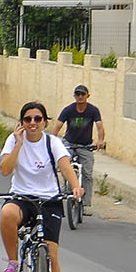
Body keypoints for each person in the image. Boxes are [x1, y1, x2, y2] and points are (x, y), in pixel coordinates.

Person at [0, 100, 85, 272]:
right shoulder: (13, 140)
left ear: (45, 122)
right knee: (7, 213)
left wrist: (76, 186)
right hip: (22, 197)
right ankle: (13, 262)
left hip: (49, 201)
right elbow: (6, 169)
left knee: (52, 255)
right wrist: (18, 144)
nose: (33, 123)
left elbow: (65, 166)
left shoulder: (53, 142)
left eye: (37, 119)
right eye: (28, 119)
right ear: (21, 123)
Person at [52, 84, 106, 215]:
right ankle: (67, 188)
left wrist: (100, 141)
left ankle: (86, 204)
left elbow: (99, 127)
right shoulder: (68, 110)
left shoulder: (93, 110)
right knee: (65, 166)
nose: (80, 97)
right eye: (77, 94)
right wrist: (52, 141)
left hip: (85, 146)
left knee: (87, 173)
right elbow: (57, 126)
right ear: (74, 96)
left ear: (88, 95)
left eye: (83, 94)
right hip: (69, 143)